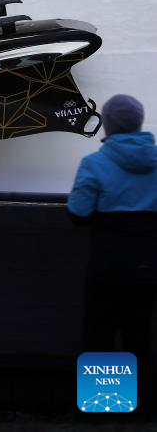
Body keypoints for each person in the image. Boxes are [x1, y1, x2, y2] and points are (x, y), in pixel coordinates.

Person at [68, 94, 157, 405]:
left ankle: (105, 404)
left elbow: (78, 213)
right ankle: (144, 406)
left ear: (107, 124)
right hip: (148, 265)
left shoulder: (94, 164)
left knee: (100, 333)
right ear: (139, 122)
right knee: (140, 333)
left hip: (107, 265)